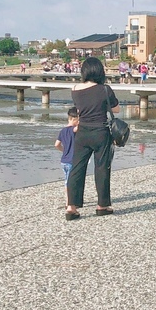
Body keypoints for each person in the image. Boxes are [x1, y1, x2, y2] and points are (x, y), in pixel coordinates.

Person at [65, 57, 120, 221]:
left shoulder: (75, 89)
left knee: (77, 168)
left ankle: (71, 207)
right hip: (101, 132)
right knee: (102, 168)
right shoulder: (104, 89)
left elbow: (80, 109)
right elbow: (116, 109)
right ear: (99, 71)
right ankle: (102, 205)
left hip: (82, 132)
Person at [55, 107, 80, 209]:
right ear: (73, 119)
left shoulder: (63, 131)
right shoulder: (73, 130)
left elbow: (56, 144)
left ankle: (69, 201)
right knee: (71, 182)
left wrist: (64, 150)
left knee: (67, 180)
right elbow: (77, 129)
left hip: (64, 160)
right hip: (71, 160)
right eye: (78, 120)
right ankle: (69, 202)